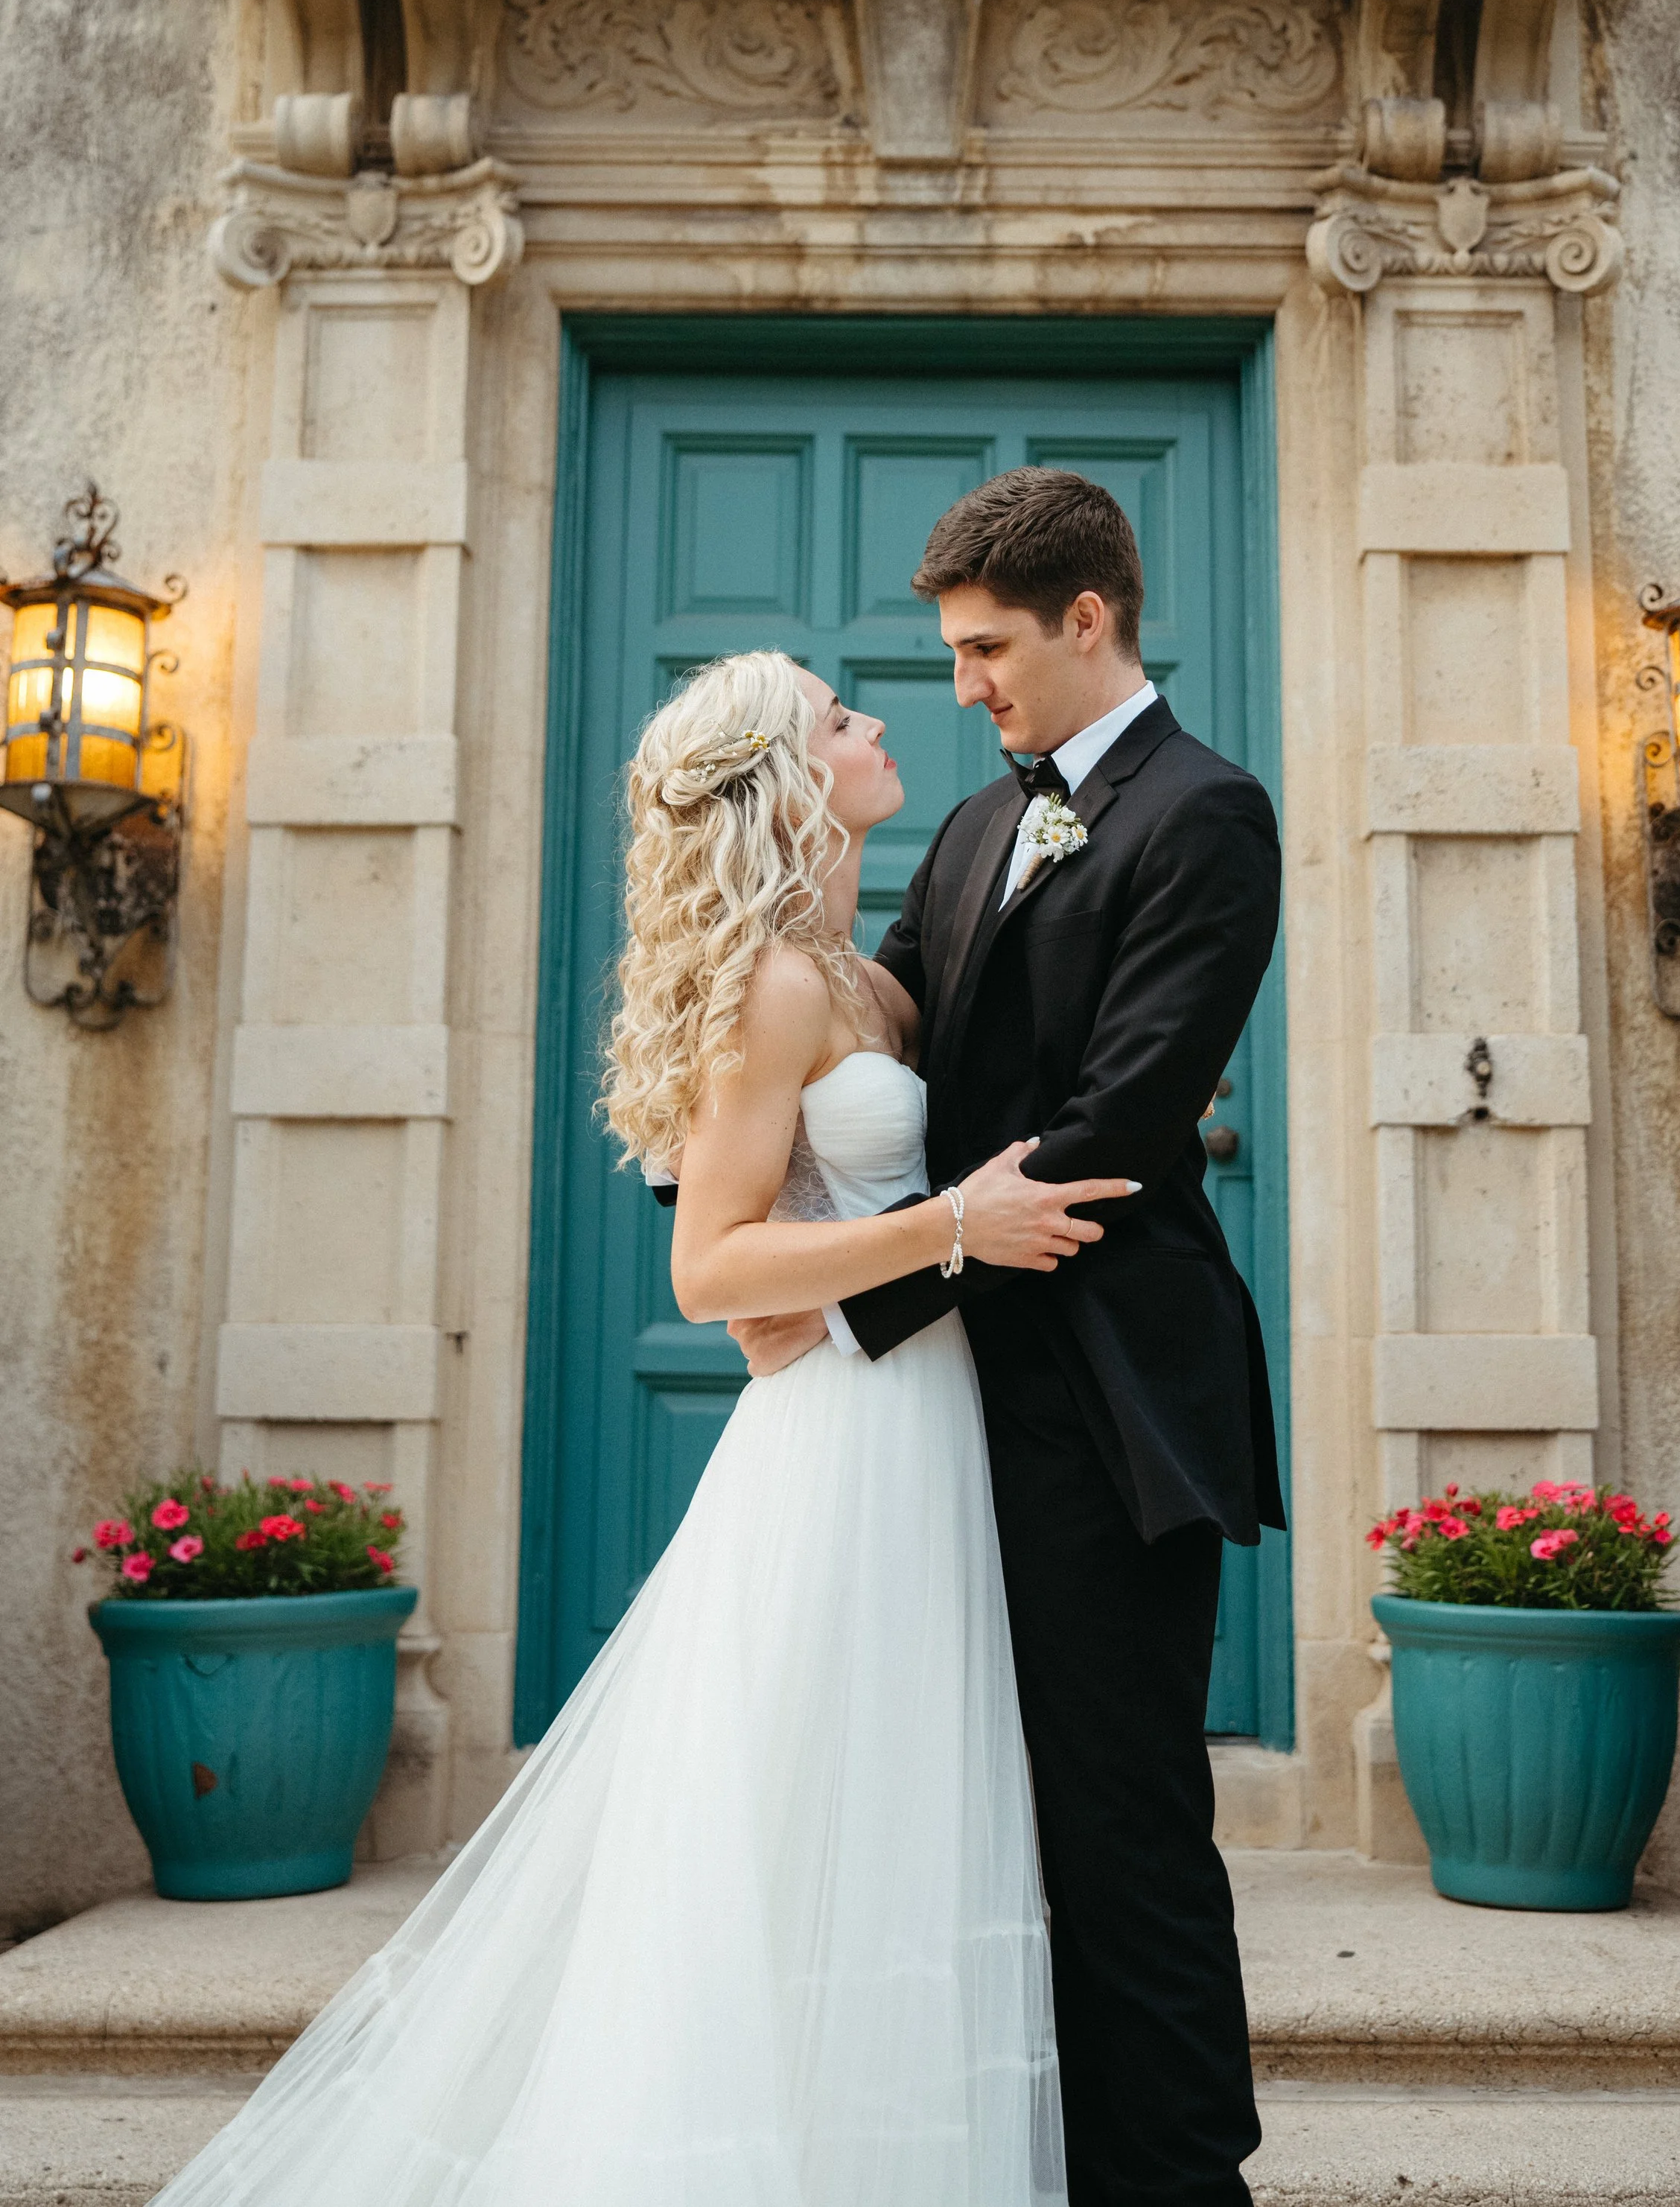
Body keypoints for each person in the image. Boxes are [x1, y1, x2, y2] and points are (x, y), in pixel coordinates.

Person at [144, 645, 1136, 2207]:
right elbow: (710, 1270)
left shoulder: (870, 975)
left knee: (889, 1830)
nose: (875, 719)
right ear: (787, 775)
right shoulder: (779, 987)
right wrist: (947, 1225)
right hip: (840, 1448)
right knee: (809, 1814)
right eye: (835, 714)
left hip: (928, 1426)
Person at [734, 468, 1285, 2207]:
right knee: (982, 1827)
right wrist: (724, 1116)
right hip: (950, 1402)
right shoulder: (976, 827)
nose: (961, 685)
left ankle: (1184, 2184)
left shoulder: (1206, 814)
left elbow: (1117, 1124)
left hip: (1107, 1410)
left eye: (984, 650)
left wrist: (850, 1296)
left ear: (1087, 620)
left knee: (1120, 1831)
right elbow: (877, 1049)